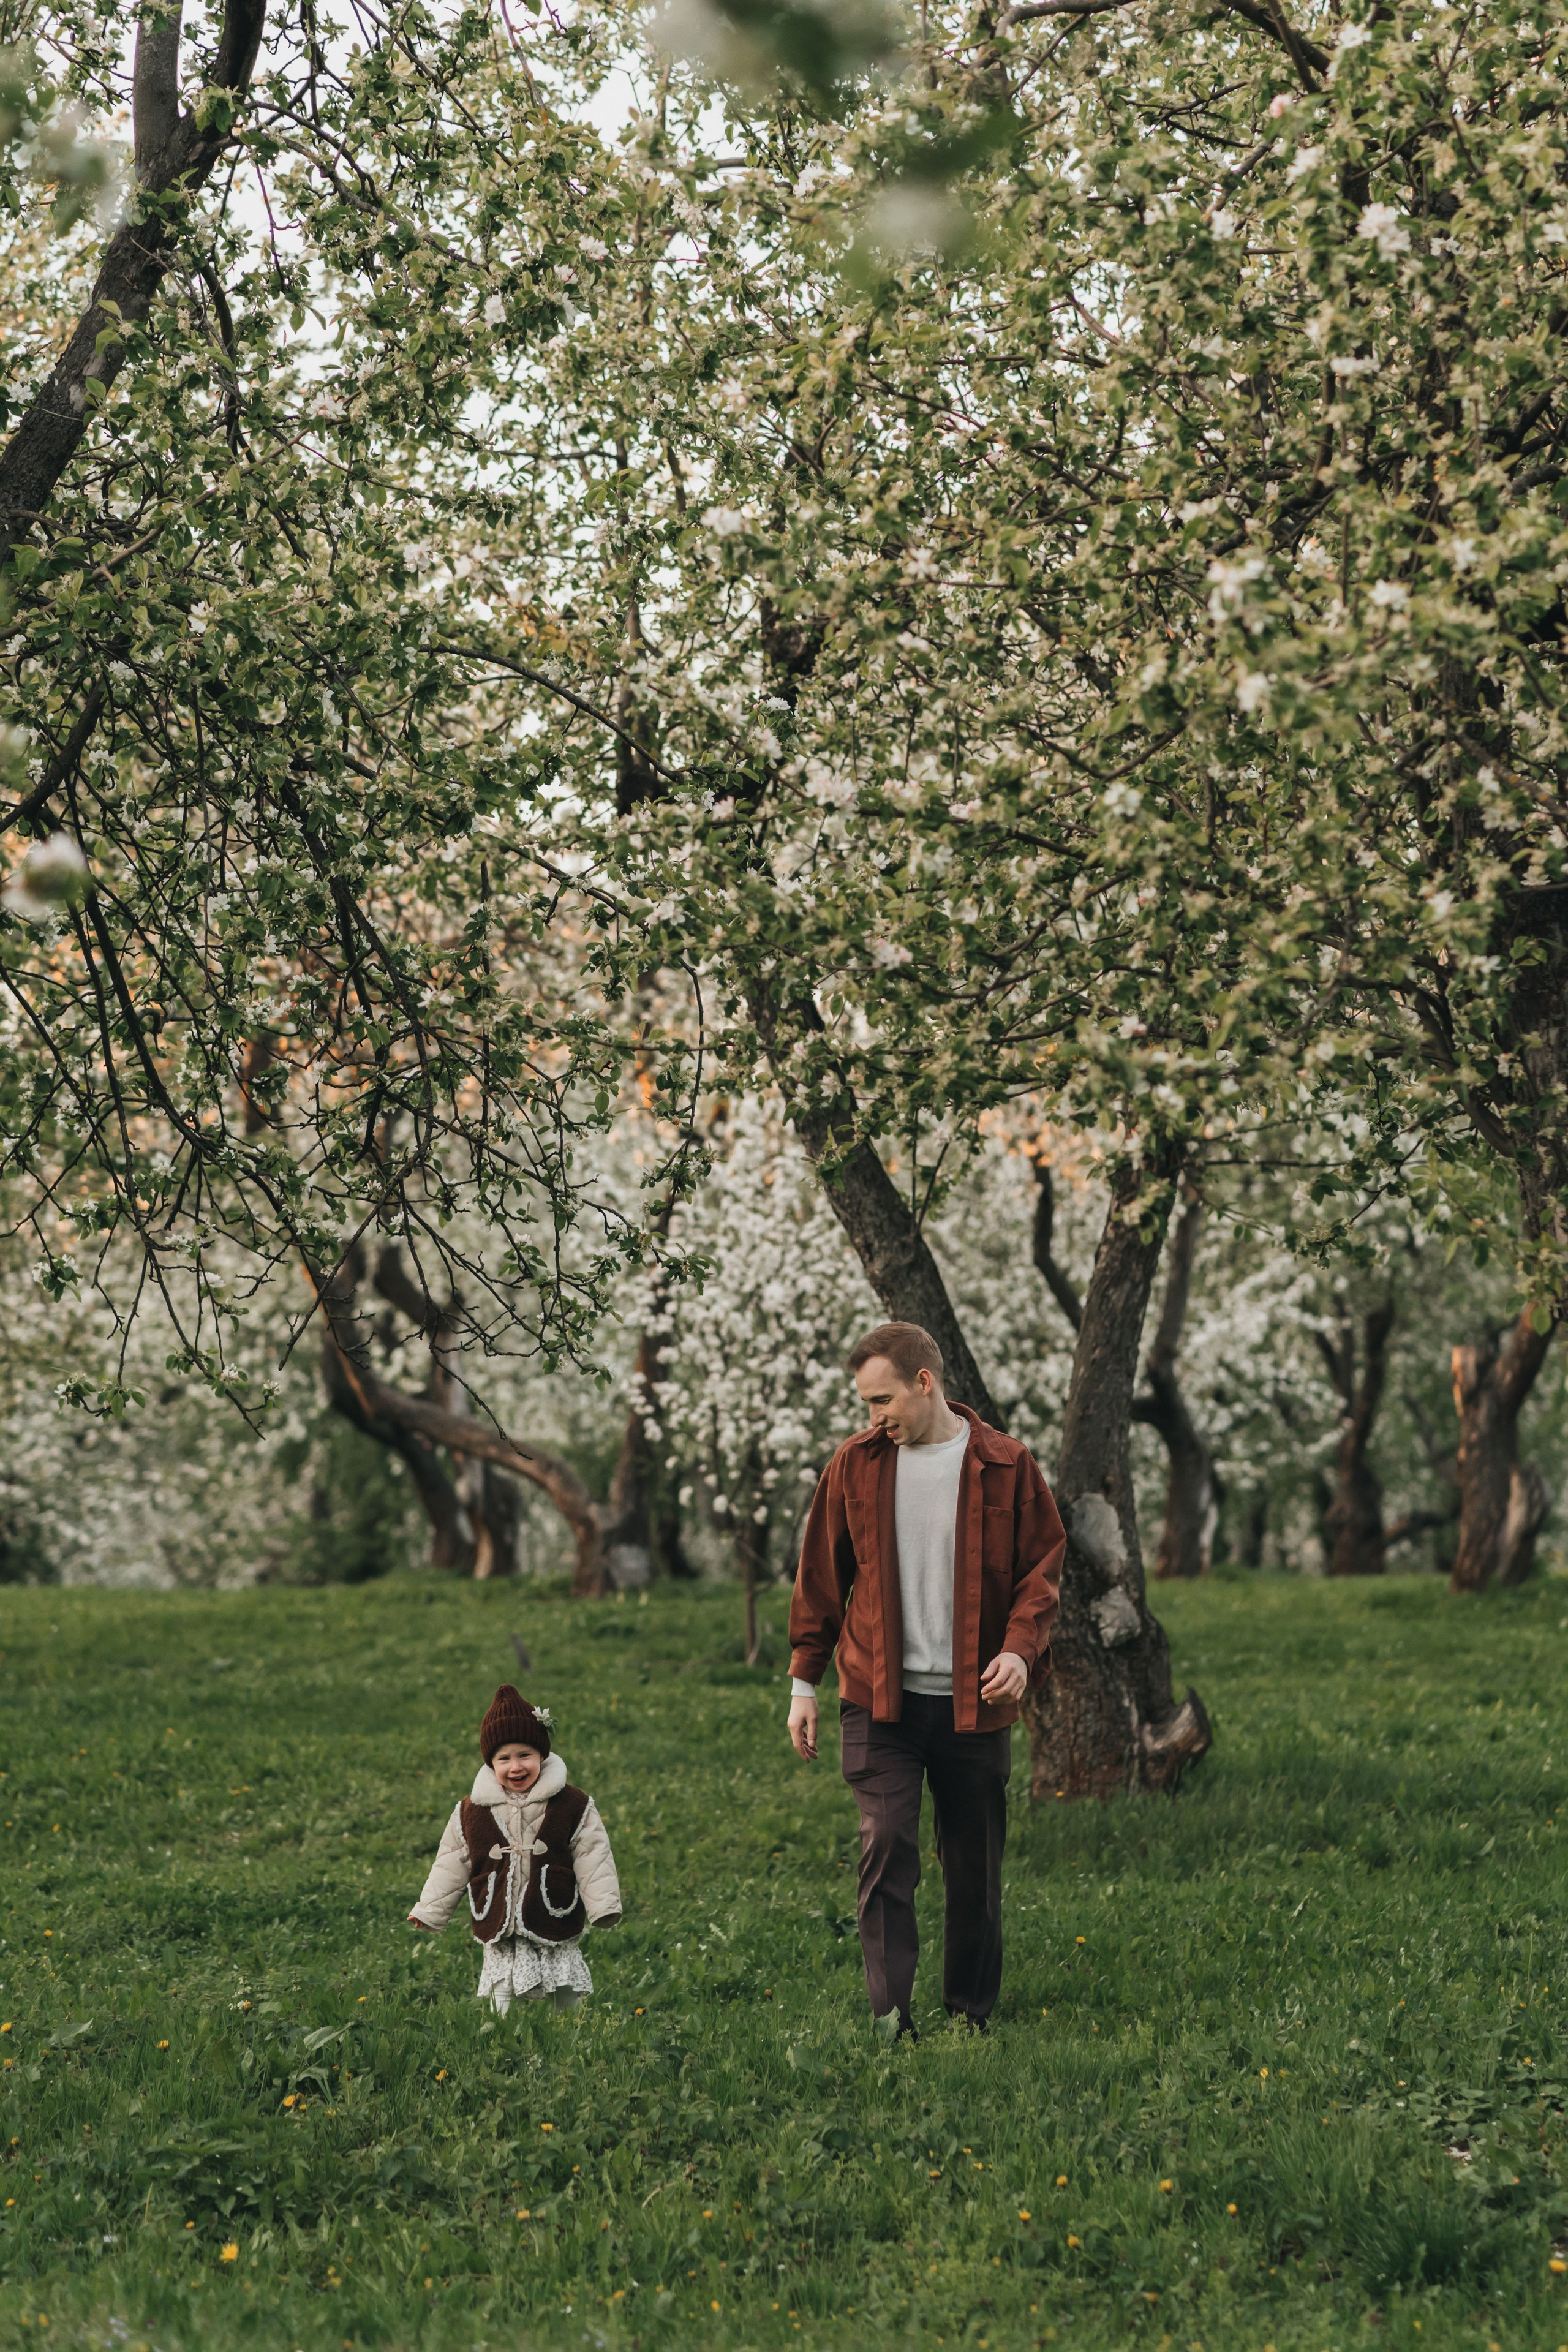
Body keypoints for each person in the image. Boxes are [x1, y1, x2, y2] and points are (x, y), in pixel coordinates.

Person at [788, 1321, 1065, 2037]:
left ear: (923, 1382)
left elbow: (1042, 1572)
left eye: (881, 1400)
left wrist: (1018, 1652)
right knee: (886, 1844)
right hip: (879, 1703)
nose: (872, 1417)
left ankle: (970, 2014)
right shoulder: (854, 1464)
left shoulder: (1006, 1464)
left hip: (975, 1707)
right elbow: (821, 1575)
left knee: (973, 1870)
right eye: (864, 1404)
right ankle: (891, 2016)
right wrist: (802, 1683)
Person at [408, 1684, 621, 2011]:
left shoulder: (573, 1804)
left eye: (525, 1755)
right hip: (499, 1912)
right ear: (491, 1764)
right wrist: (430, 1911)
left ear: (542, 1756)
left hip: (551, 1906)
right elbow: (452, 1861)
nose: (516, 1767)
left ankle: (571, 2031)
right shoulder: (471, 1811)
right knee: (500, 1983)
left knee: (561, 1979)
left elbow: (593, 1855)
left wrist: (603, 1906)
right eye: (504, 1759)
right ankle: (500, 2035)